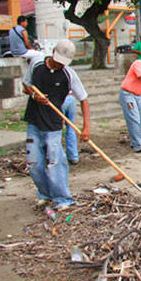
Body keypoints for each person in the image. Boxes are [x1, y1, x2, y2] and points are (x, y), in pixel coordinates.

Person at [22, 40, 90, 210]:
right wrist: (33, 96)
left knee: (55, 162)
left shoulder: (69, 74)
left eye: (64, 62)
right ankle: (45, 193)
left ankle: (63, 198)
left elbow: (83, 99)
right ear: (52, 52)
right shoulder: (36, 65)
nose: (60, 65)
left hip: (53, 124)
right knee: (33, 162)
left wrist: (86, 127)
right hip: (33, 122)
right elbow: (26, 85)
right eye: (58, 60)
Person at [61, 94, 79, 165]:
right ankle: (73, 156)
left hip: (59, 99)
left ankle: (59, 158)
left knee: (56, 129)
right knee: (71, 126)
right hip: (71, 98)